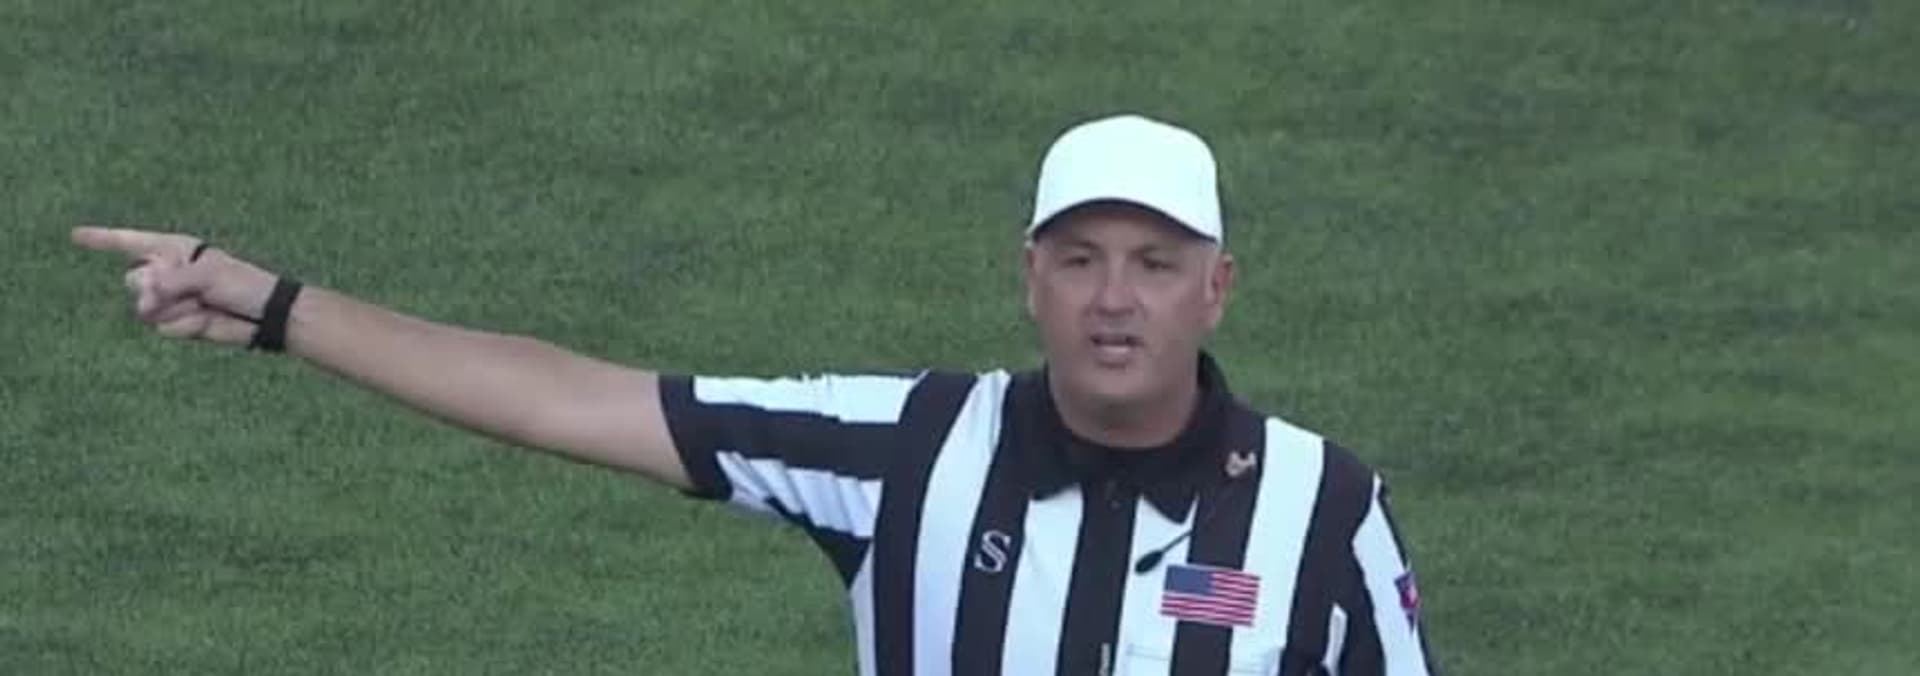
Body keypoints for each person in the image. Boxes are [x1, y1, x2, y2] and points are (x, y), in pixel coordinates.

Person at [75, 113, 1438, 675]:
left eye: (1155, 262)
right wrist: (281, 309)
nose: (1114, 298)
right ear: (1030, 278)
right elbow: (566, 401)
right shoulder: (909, 451)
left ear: (1217, 288)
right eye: (1080, 259)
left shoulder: (1325, 509)